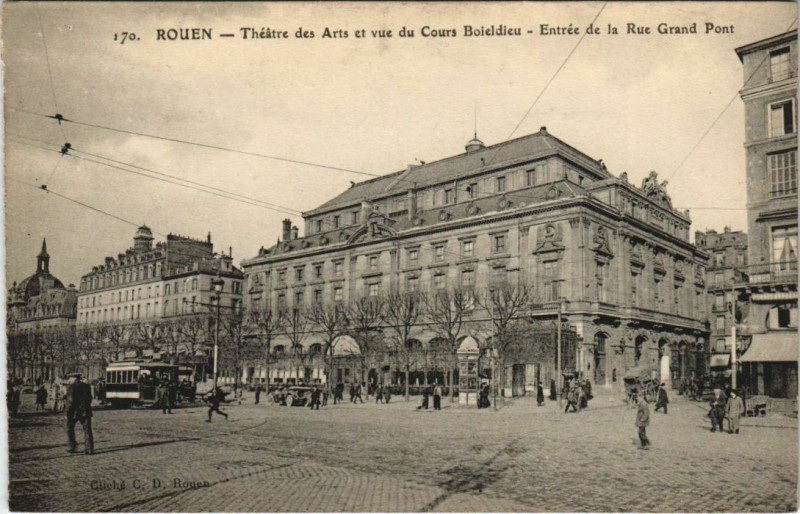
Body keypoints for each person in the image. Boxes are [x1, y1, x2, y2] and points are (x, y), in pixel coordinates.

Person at [65, 373, 94, 454]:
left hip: (75, 412)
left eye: (70, 378)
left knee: (69, 428)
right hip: (86, 411)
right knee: (87, 430)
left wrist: (67, 413)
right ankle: (89, 449)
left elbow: (70, 401)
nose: (69, 380)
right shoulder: (86, 386)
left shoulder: (72, 387)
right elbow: (90, 398)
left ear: (74, 378)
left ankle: (72, 446)